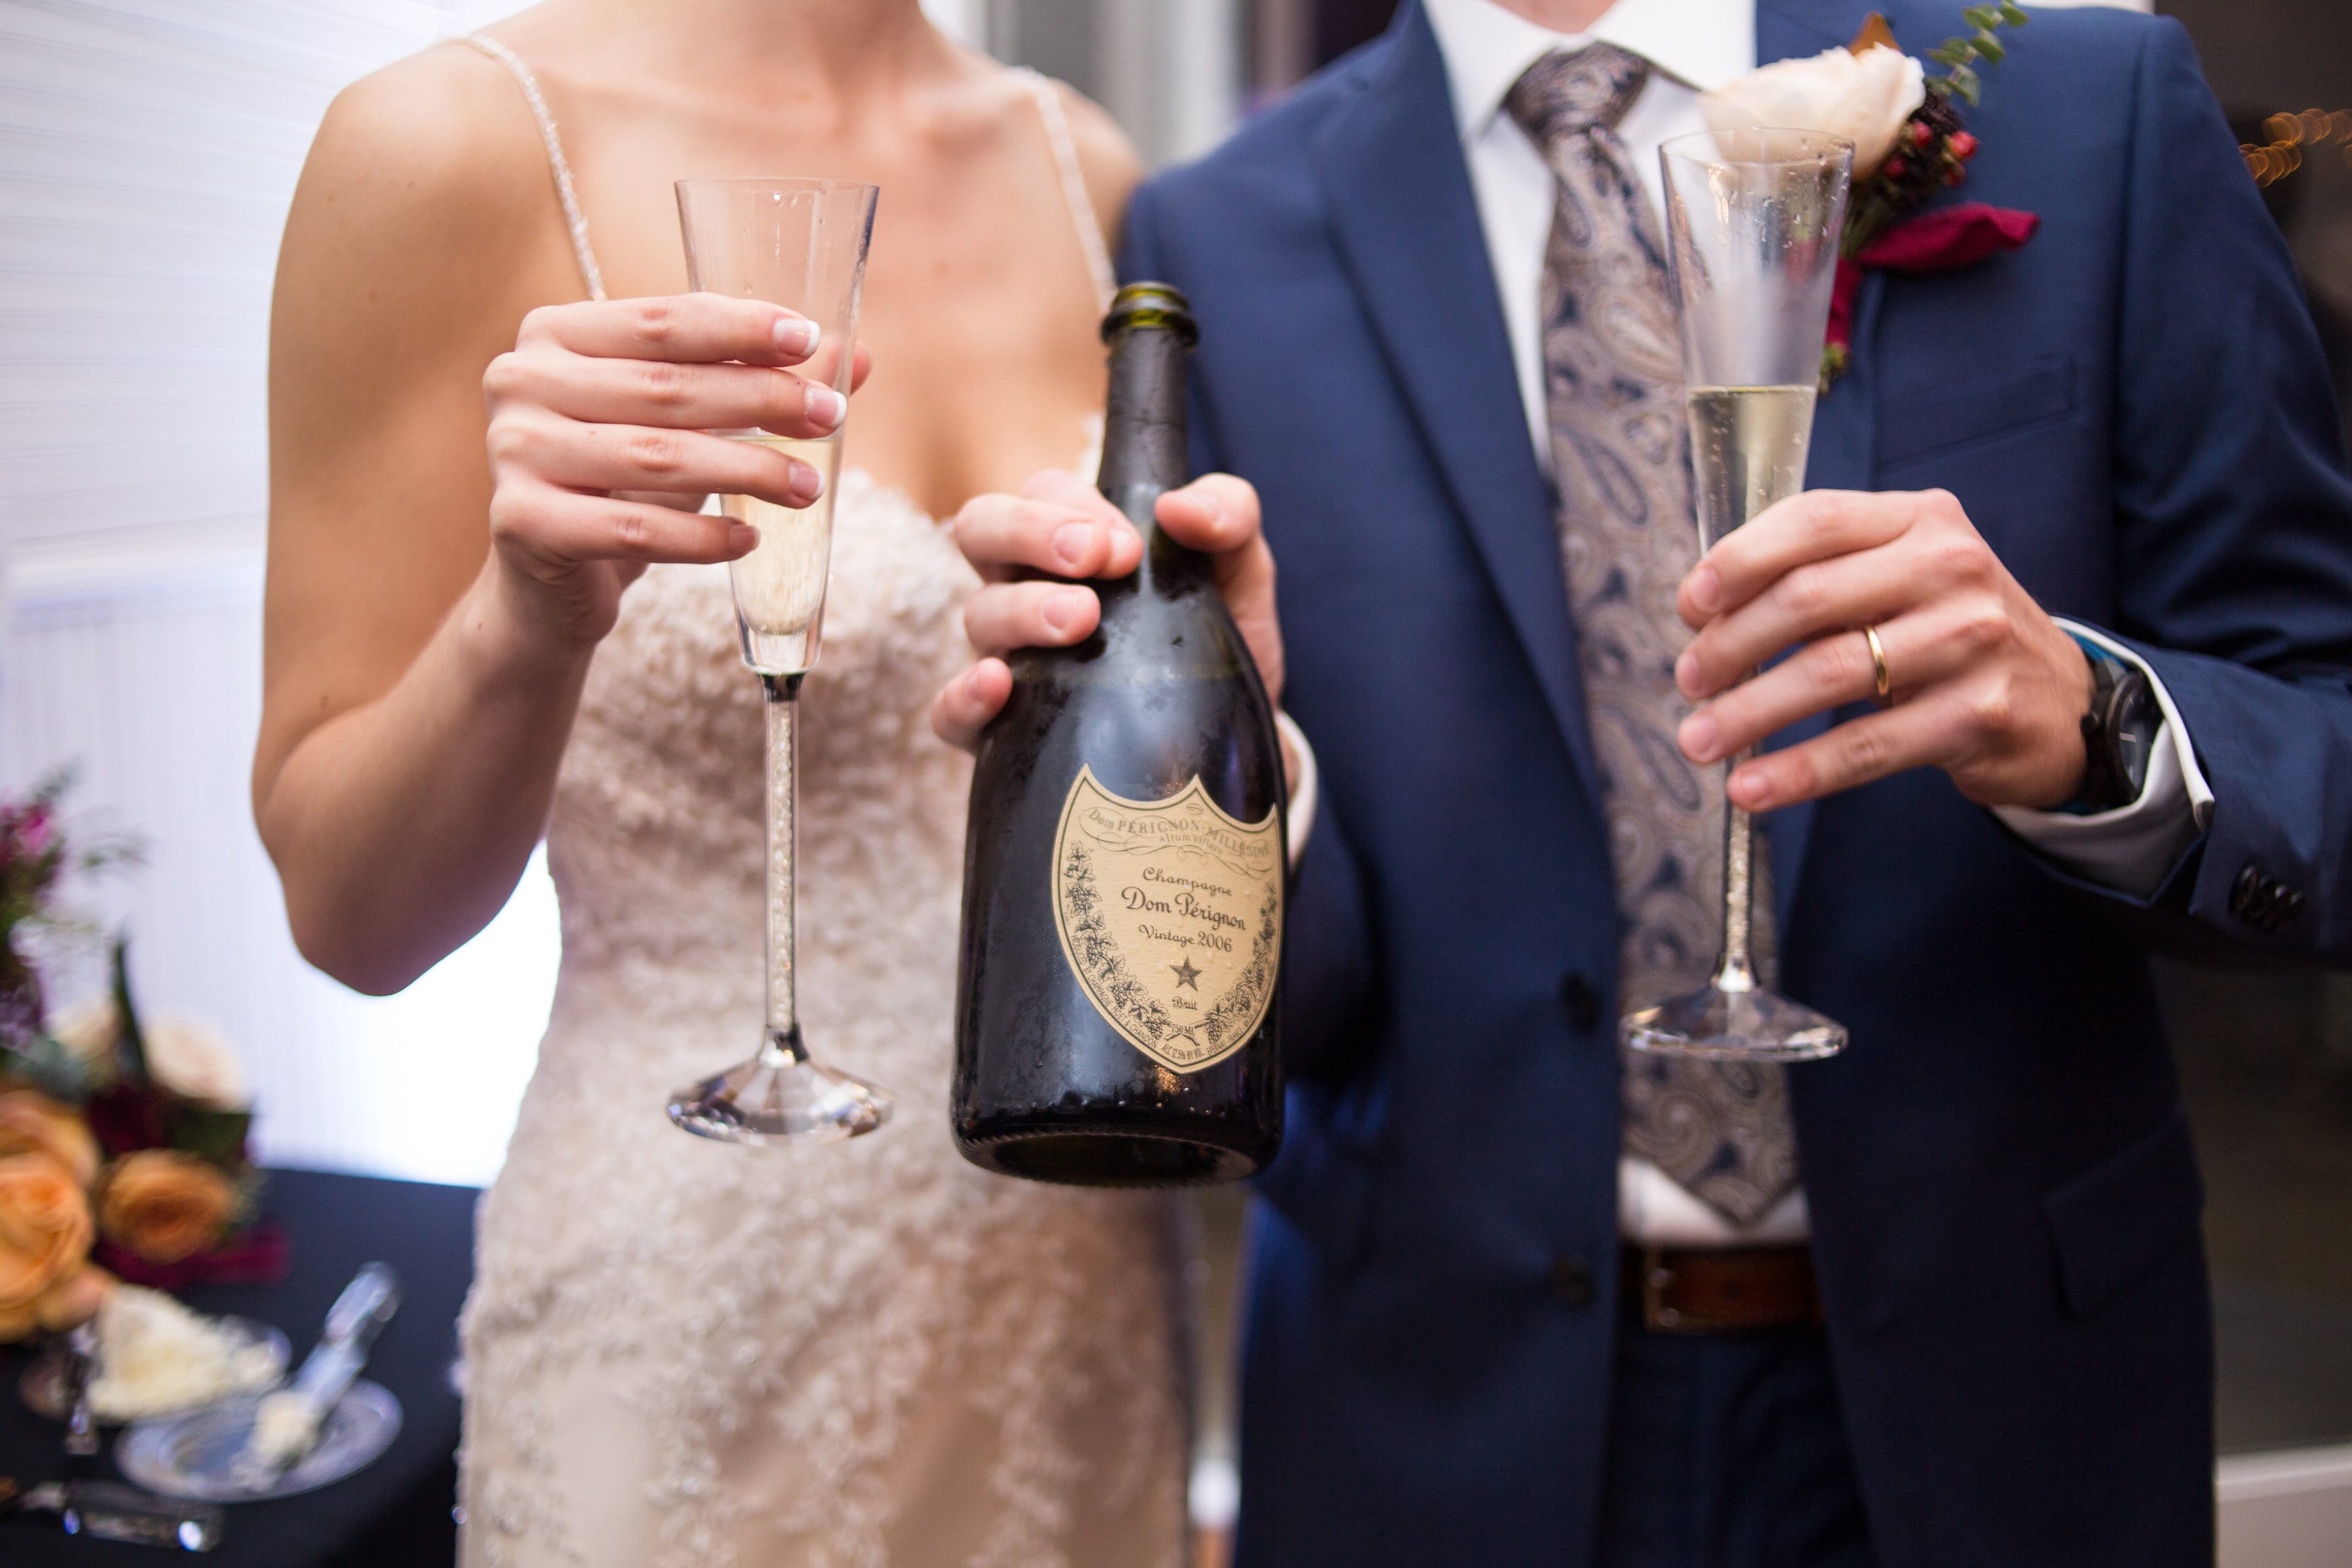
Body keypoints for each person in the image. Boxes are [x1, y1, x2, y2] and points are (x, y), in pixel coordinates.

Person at [934, 0, 2352, 1563]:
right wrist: (1240, 762)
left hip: (2007, 1411)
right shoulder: (1223, 226)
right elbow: (1317, 1005)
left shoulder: (2094, 105)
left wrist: (2096, 721)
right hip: (1429, 1430)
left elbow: (2325, 756)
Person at [254, 3, 1204, 1563]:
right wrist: (528, 615)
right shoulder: (447, 144)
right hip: (688, 1334)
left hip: (1075, 1309)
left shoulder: (1078, 162)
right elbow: (349, 918)